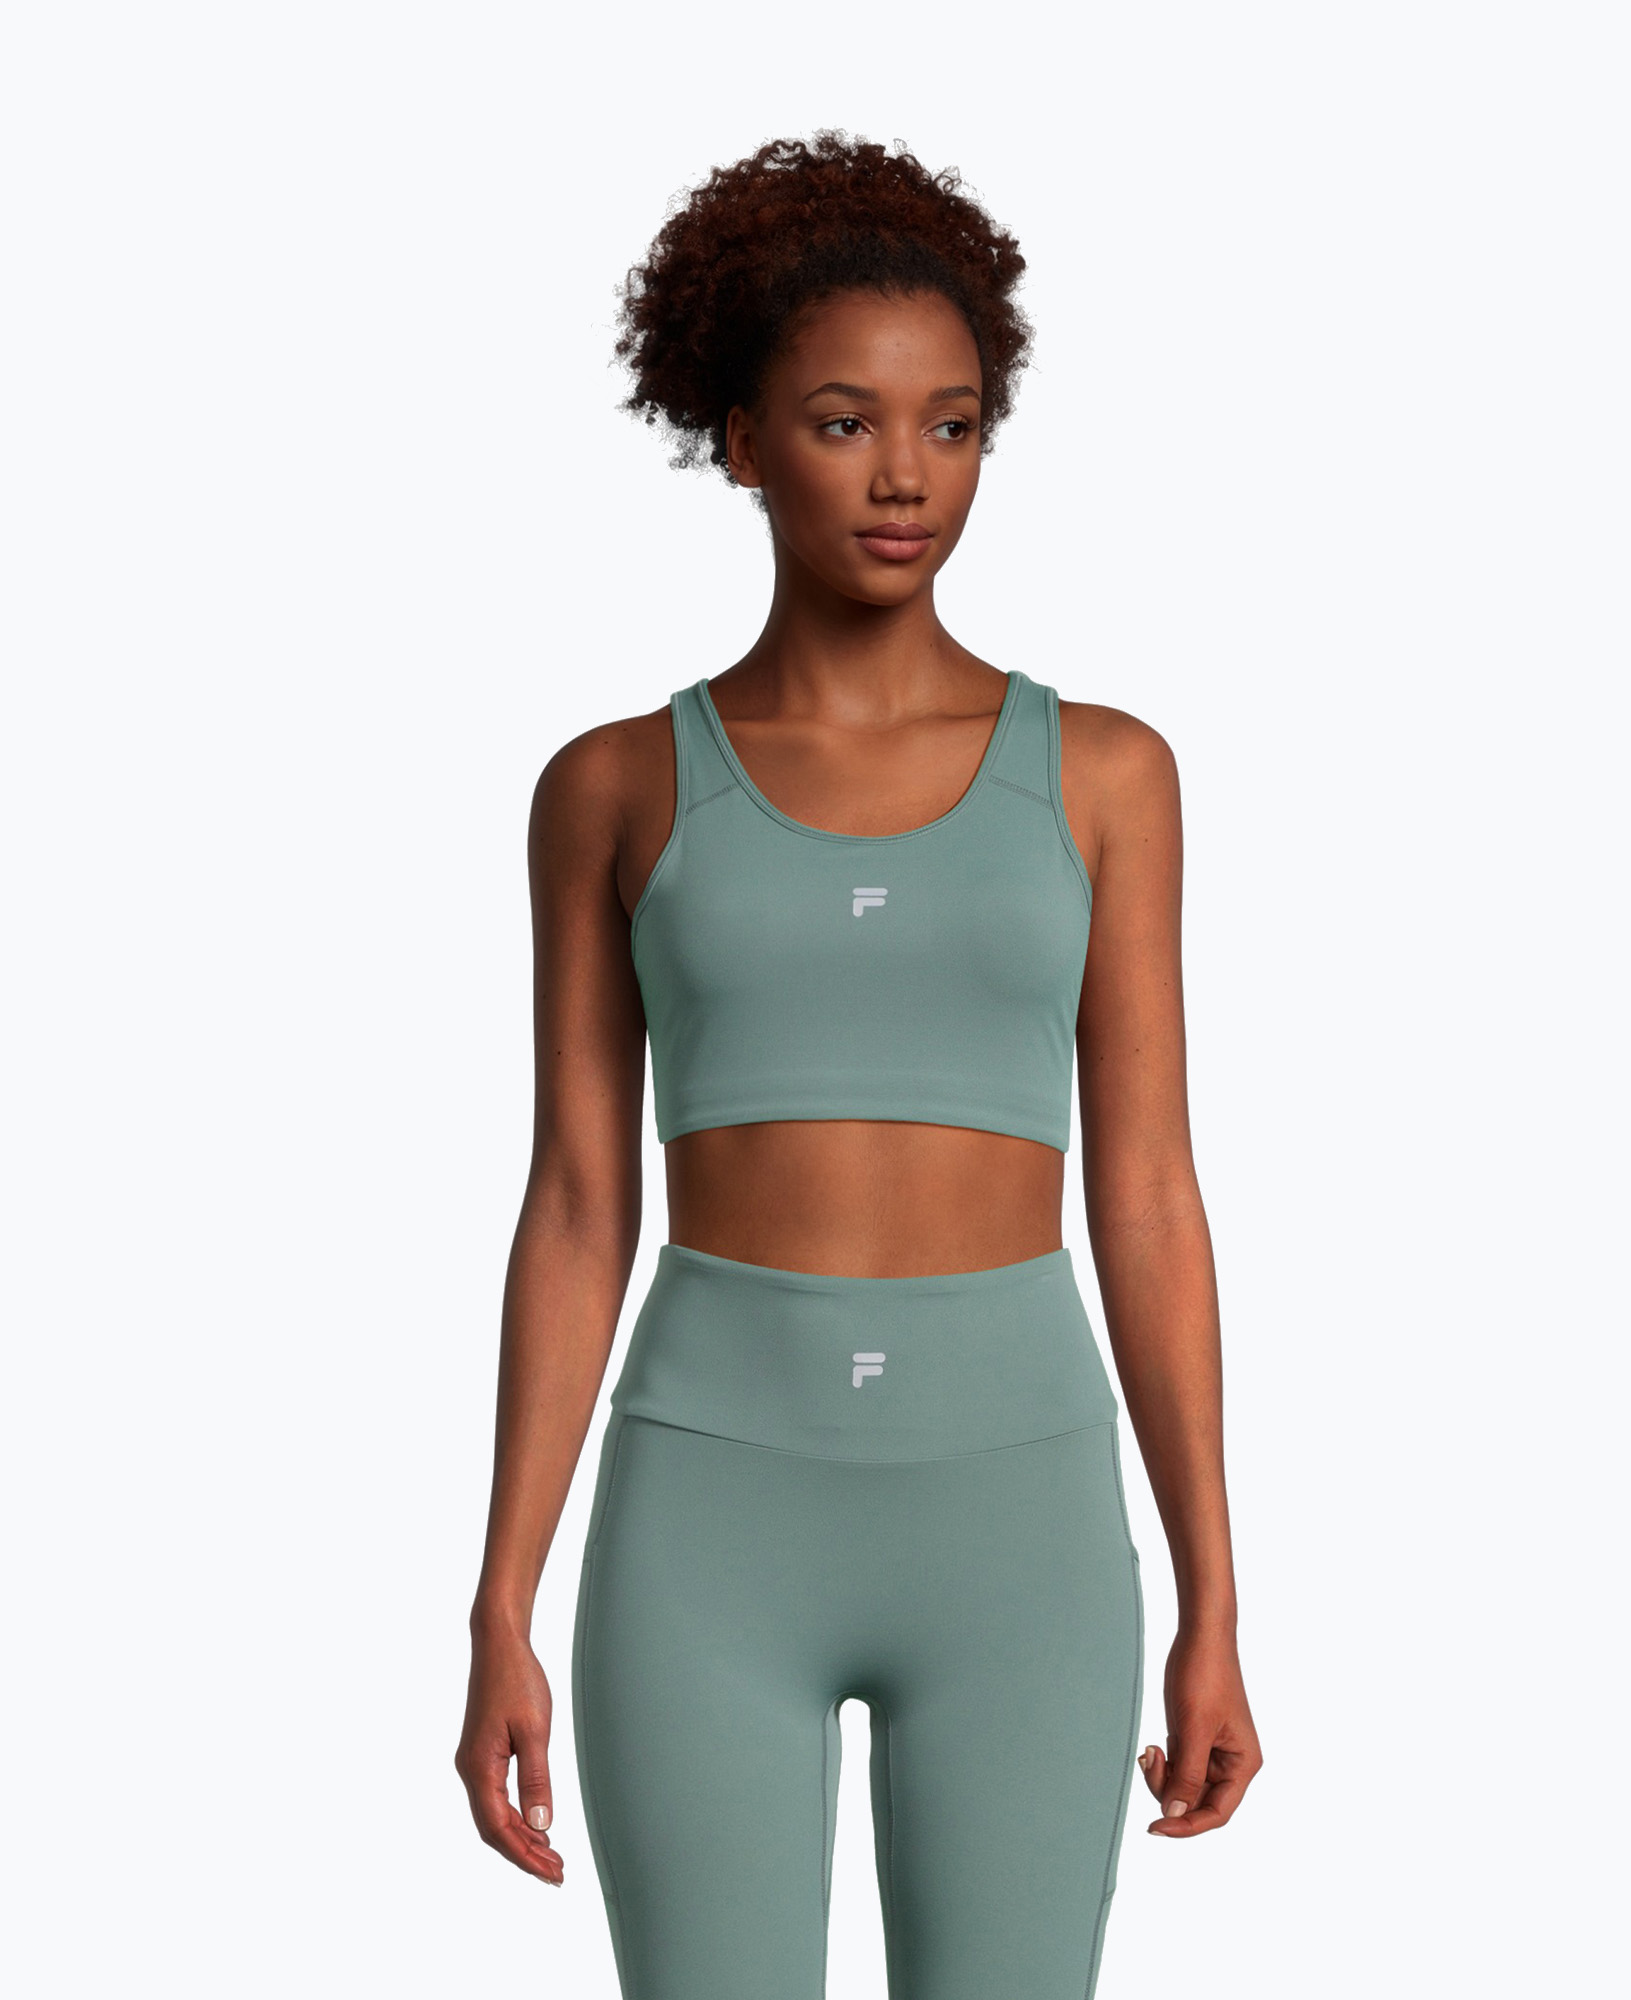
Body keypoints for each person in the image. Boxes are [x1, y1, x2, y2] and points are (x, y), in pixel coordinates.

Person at [456, 131, 1262, 1998]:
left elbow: (1150, 1194)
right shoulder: (612, 787)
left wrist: (1215, 1592)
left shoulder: (1107, 776)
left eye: (951, 425)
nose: (907, 474)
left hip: (1022, 1516)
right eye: (844, 423)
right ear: (741, 440)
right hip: (707, 1518)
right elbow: (576, 1206)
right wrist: (500, 1600)